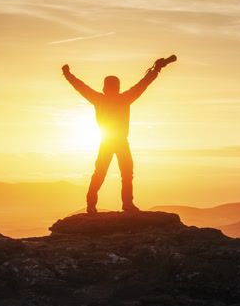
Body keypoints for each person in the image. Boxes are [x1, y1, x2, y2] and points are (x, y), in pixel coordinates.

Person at [62, 58, 172, 213]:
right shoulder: (125, 98)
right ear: (118, 87)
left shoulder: (99, 99)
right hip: (120, 142)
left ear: (105, 87)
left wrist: (67, 75)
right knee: (126, 174)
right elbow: (143, 84)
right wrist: (156, 70)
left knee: (101, 173)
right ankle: (126, 204)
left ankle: (92, 205)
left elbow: (81, 87)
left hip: (107, 142)